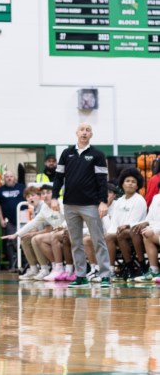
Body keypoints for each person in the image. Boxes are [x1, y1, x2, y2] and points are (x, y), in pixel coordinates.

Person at [51, 122, 111, 288]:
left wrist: (103, 202)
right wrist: (54, 197)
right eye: (82, 130)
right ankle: (81, 276)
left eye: (88, 130)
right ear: (76, 132)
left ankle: (105, 275)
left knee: (98, 240)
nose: (84, 133)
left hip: (91, 205)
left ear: (91, 134)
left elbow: (102, 181)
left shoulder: (98, 154)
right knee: (75, 242)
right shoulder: (67, 153)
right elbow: (58, 177)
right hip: (69, 205)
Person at [2, 186, 51, 280]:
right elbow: (35, 226)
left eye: (32, 195)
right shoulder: (34, 209)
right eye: (28, 197)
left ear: (39, 196)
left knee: (34, 239)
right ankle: (34, 269)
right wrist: (24, 233)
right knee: (25, 239)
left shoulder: (44, 207)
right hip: (44, 233)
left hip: (51, 233)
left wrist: (31, 234)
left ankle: (45, 268)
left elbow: (48, 229)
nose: (30, 198)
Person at [106, 168, 147, 281]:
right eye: (127, 181)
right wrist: (113, 230)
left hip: (136, 232)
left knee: (123, 233)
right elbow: (114, 223)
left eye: (133, 182)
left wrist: (126, 225)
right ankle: (111, 270)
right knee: (108, 236)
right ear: (122, 184)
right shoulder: (119, 201)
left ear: (137, 186)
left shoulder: (139, 200)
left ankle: (141, 265)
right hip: (121, 232)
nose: (130, 183)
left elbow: (137, 221)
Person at [0, 171, 26, 271]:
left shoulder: (22, 187)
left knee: (23, 240)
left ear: (15, 178)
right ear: (4, 178)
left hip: (23, 219)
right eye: (7, 177)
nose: (9, 178)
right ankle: (13, 265)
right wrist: (1, 219)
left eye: (11, 176)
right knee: (10, 241)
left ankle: (25, 264)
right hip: (9, 221)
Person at [133, 192, 160, 282]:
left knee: (150, 233)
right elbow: (150, 218)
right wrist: (148, 226)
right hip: (157, 230)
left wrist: (154, 229)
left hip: (158, 230)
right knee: (147, 234)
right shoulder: (156, 198)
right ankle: (154, 270)